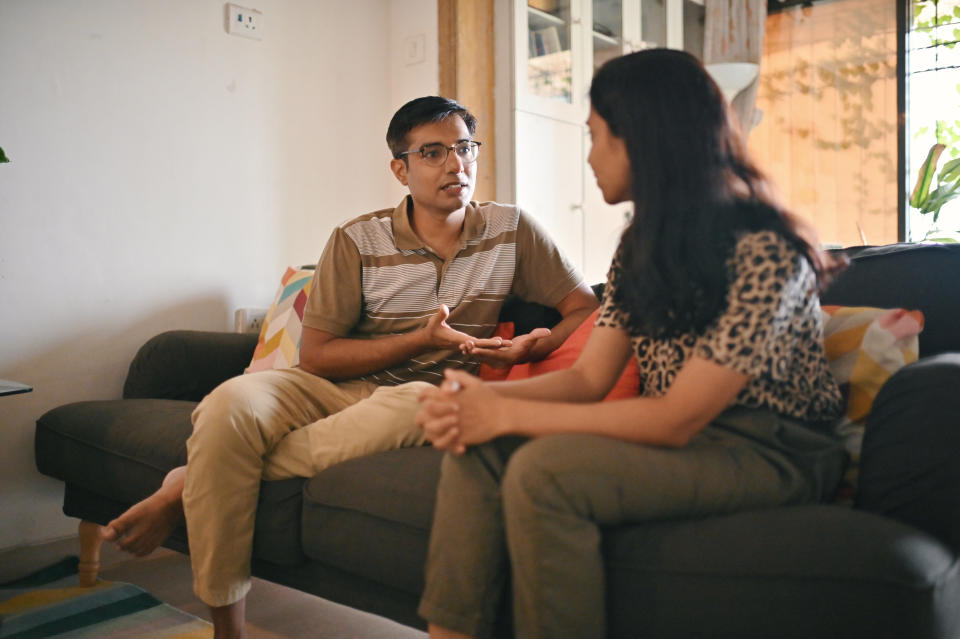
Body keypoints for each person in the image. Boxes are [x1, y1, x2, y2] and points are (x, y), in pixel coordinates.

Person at [100, 96, 599, 638]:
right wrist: (418, 339)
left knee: (412, 404)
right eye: (433, 153)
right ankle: (229, 628)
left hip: (425, 395)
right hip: (329, 385)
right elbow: (317, 355)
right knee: (227, 406)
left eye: (464, 148)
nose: (456, 165)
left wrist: (537, 345)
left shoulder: (512, 229)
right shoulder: (355, 239)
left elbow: (584, 308)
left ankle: (188, 480)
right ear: (401, 170)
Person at [416, 49, 847, 639]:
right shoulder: (642, 249)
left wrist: (502, 408)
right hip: (692, 441)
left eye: (596, 137)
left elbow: (675, 419)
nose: (589, 156)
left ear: (645, 138)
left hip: (772, 450)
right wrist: (482, 411)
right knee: (480, 447)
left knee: (544, 471)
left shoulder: (764, 250)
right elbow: (589, 380)